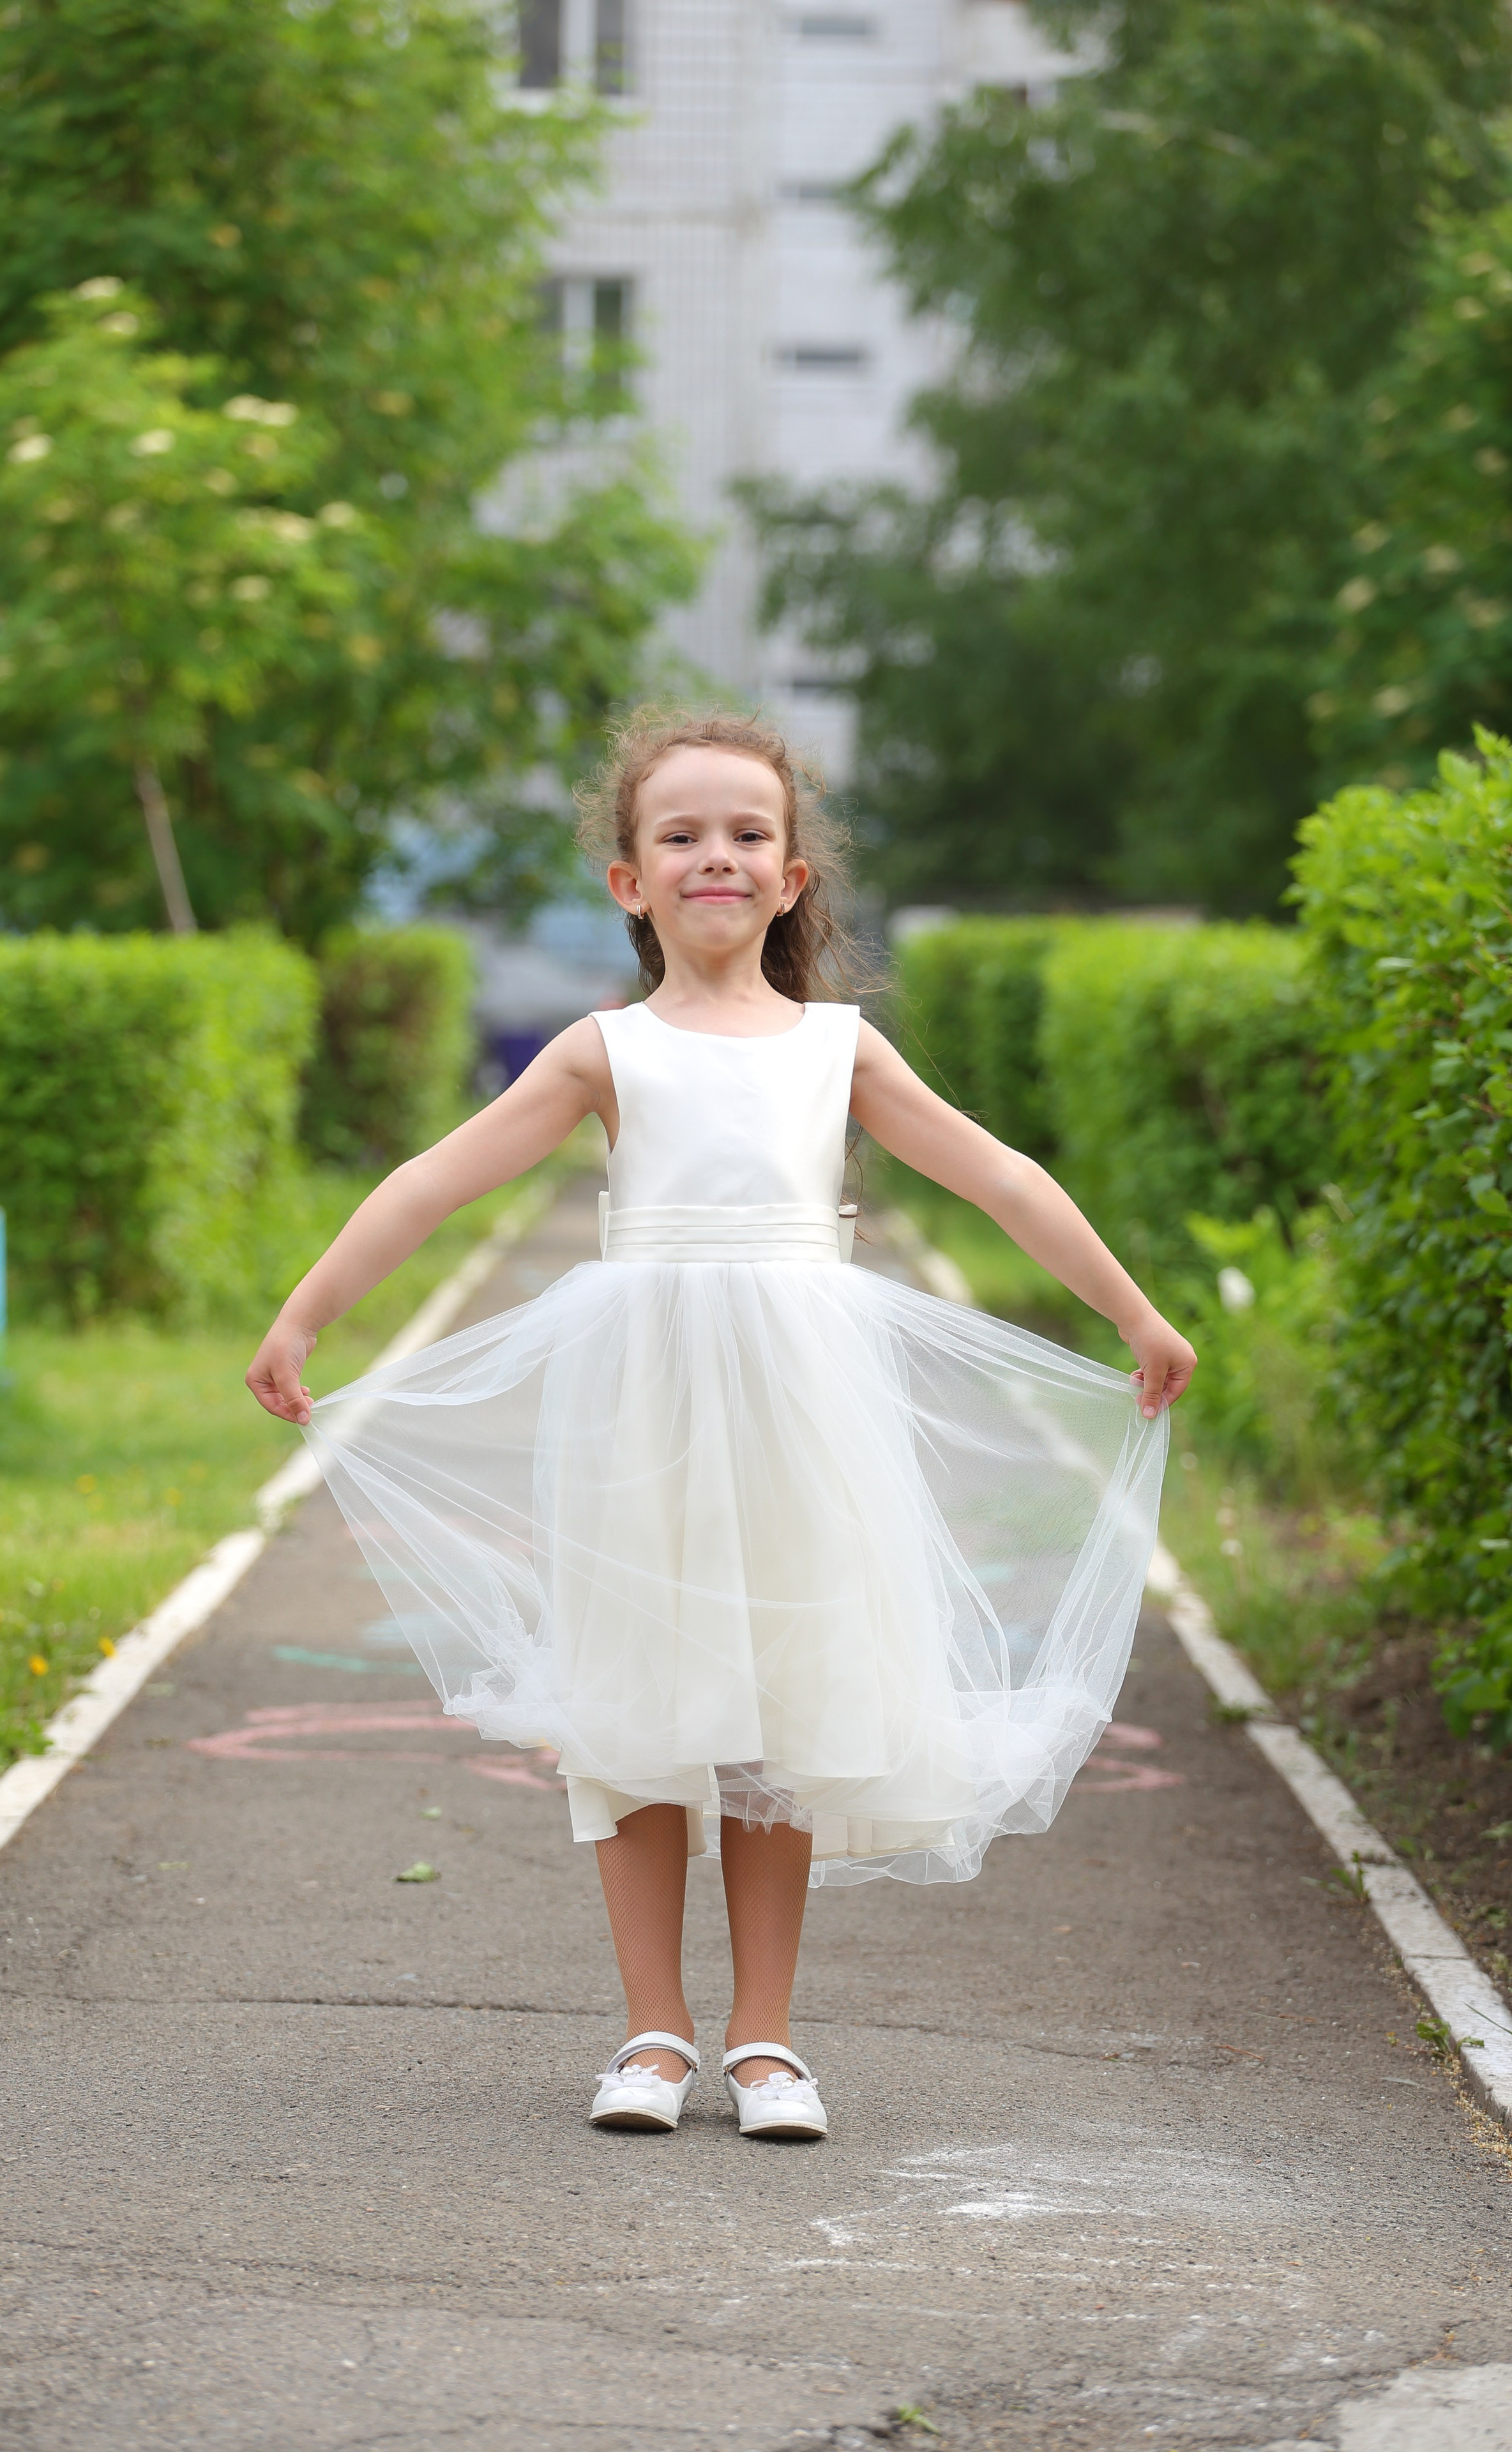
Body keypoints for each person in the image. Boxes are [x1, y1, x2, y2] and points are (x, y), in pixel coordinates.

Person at [246, 709, 1196, 2145]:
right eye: (679, 835)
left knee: (780, 1708)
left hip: (804, 1416)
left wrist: (1133, 1314)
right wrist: (306, 1314)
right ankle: (650, 2031)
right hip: (643, 1411)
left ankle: (764, 2039)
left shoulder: (835, 1049)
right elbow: (434, 1181)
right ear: (628, 881)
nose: (716, 857)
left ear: (793, 876)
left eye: (747, 834)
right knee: (636, 1707)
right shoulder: (603, 1052)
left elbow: (996, 1174)